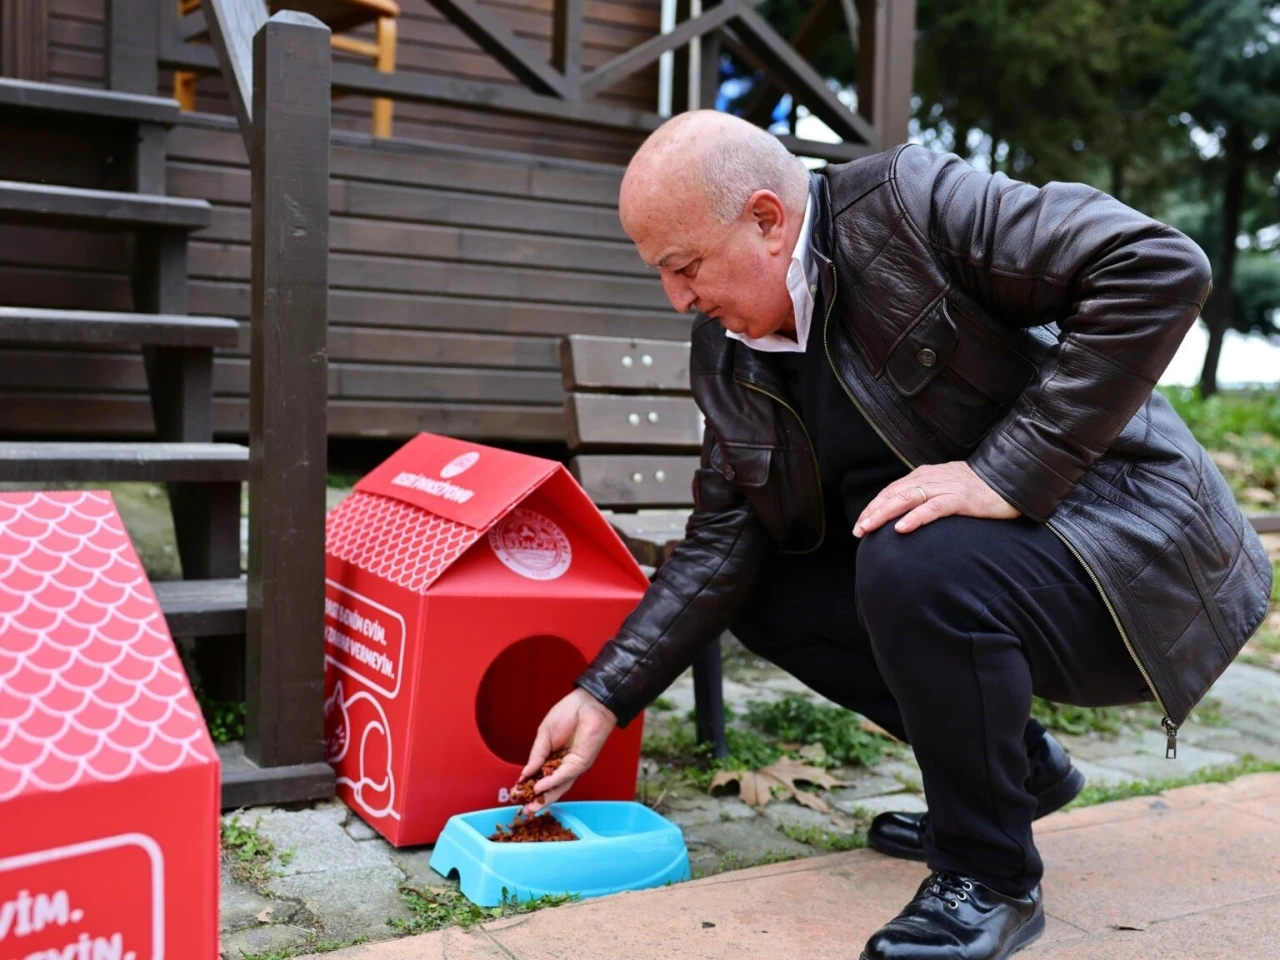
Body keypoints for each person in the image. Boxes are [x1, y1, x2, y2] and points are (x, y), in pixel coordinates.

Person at [515, 111, 1273, 960]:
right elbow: (722, 544)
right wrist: (603, 695)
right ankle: (1014, 771)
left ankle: (987, 876)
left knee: (911, 553)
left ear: (767, 220)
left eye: (683, 266)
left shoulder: (915, 206)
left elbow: (1159, 265)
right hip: (979, 576)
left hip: (1129, 563)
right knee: (765, 587)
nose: (679, 299)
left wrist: (1002, 474)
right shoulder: (728, 358)